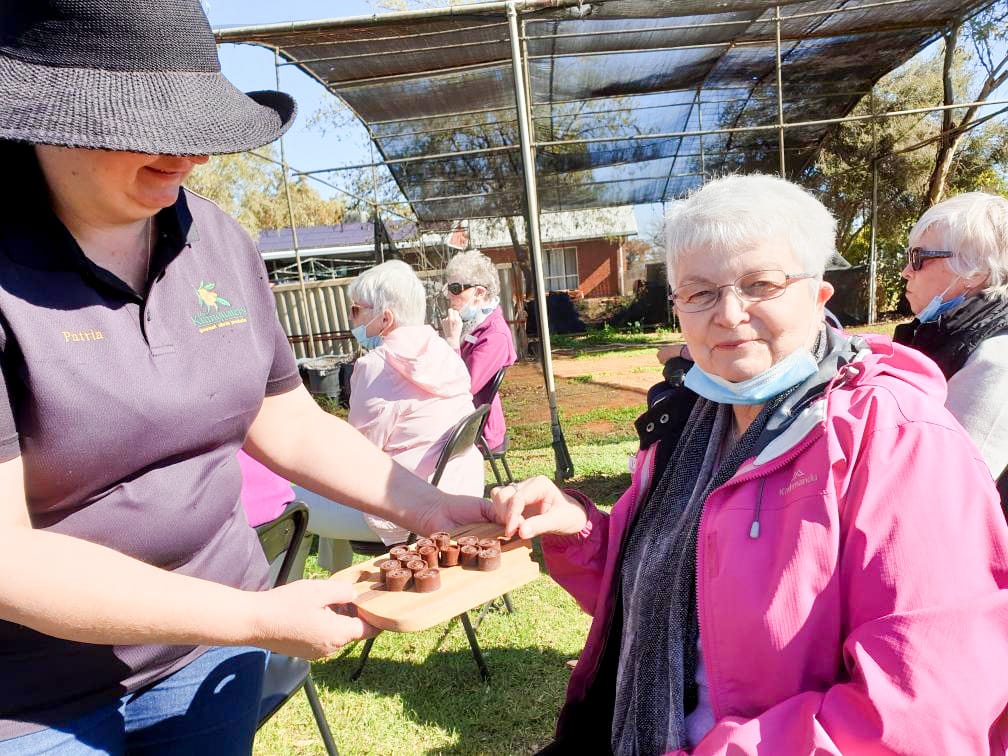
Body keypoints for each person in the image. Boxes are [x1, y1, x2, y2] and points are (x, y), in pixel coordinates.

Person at [0, 1, 488, 751]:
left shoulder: (215, 236)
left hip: (208, 656)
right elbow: (11, 559)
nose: (189, 160)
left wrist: (430, 507)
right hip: (35, 704)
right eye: (153, 128)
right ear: (41, 113)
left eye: (199, 131)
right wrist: (253, 618)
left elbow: (282, 417)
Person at [488, 174, 1008, 755]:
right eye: (700, 292)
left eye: (760, 284)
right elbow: (670, 588)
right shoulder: (688, 421)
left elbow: (921, 714)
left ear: (817, 295)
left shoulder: (899, 441)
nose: (729, 315)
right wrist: (576, 527)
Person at [297, 261, 484, 562]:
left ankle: (300, 592)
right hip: (462, 490)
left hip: (409, 512)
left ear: (385, 318)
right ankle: (339, 587)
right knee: (326, 487)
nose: (351, 317)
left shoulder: (377, 366)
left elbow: (358, 455)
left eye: (356, 310)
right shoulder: (444, 353)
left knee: (290, 496)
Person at [893, 192, 1008, 507]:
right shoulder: (936, 334)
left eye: (919, 257)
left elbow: (943, 492)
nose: (906, 270)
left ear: (975, 273)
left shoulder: (996, 359)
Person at [440, 250, 517, 453]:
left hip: (476, 431)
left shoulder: (494, 335)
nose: (449, 294)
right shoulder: (472, 324)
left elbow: (464, 387)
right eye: (448, 287)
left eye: (455, 288)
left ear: (480, 293)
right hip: (459, 419)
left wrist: (452, 342)